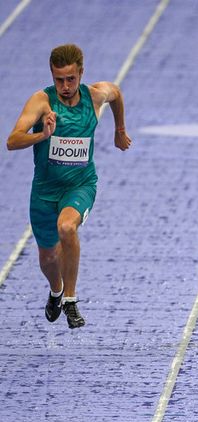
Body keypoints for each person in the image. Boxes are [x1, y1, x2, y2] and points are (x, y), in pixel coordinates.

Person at [6, 44, 130, 328]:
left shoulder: (95, 95)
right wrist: (42, 135)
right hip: (44, 192)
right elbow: (12, 141)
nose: (64, 86)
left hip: (81, 185)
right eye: (58, 79)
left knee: (66, 227)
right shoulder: (41, 102)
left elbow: (117, 94)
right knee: (48, 258)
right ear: (52, 75)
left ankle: (71, 301)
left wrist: (119, 131)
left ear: (81, 73)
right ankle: (56, 291)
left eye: (70, 79)